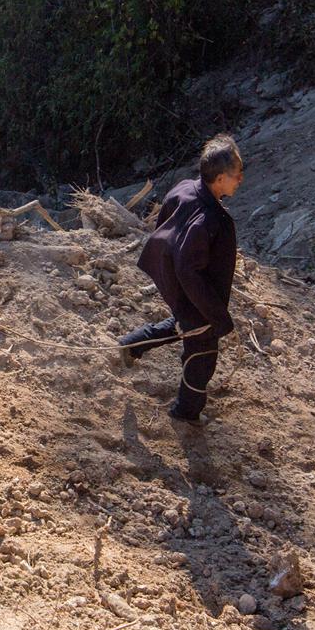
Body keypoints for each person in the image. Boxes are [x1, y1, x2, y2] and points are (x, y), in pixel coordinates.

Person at [118, 135, 243, 423]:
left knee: (182, 324)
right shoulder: (213, 221)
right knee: (202, 353)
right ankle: (186, 412)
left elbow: (167, 227)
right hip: (197, 294)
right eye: (237, 175)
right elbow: (191, 271)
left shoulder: (184, 188)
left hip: (176, 282)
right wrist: (217, 317)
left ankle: (132, 344)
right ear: (221, 178)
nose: (240, 180)